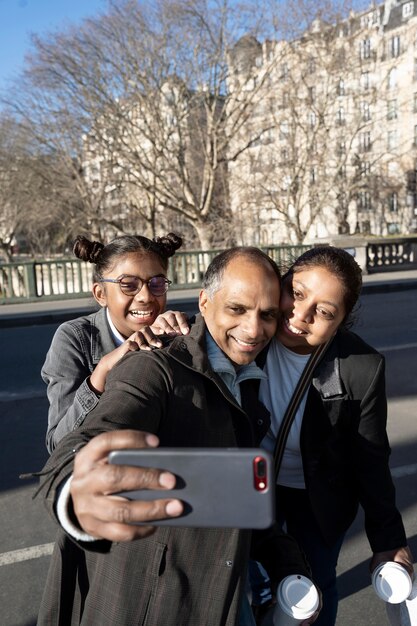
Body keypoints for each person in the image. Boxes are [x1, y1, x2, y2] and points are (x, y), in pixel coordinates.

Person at [35, 247, 318, 626]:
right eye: (237, 309)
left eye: (267, 314)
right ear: (205, 301)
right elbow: (88, 438)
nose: (254, 329)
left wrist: (289, 565)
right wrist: (80, 485)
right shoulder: (156, 366)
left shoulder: (247, 381)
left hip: (224, 597)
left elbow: (239, 492)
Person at [143, 245, 414, 626]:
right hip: (251, 484)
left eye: (324, 312)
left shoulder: (362, 368)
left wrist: (389, 541)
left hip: (317, 494)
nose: (299, 316)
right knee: (247, 577)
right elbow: (213, 323)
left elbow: (370, 457)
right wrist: (171, 323)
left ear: (341, 323)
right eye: (297, 293)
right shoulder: (251, 335)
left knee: (315, 588)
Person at [41, 232, 187, 453]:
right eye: (128, 285)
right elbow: (57, 445)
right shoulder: (75, 339)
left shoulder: (175, 333)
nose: (146, 296)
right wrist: (104, 370)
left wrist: (182, 339)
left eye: (156, 283)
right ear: (101, 294)